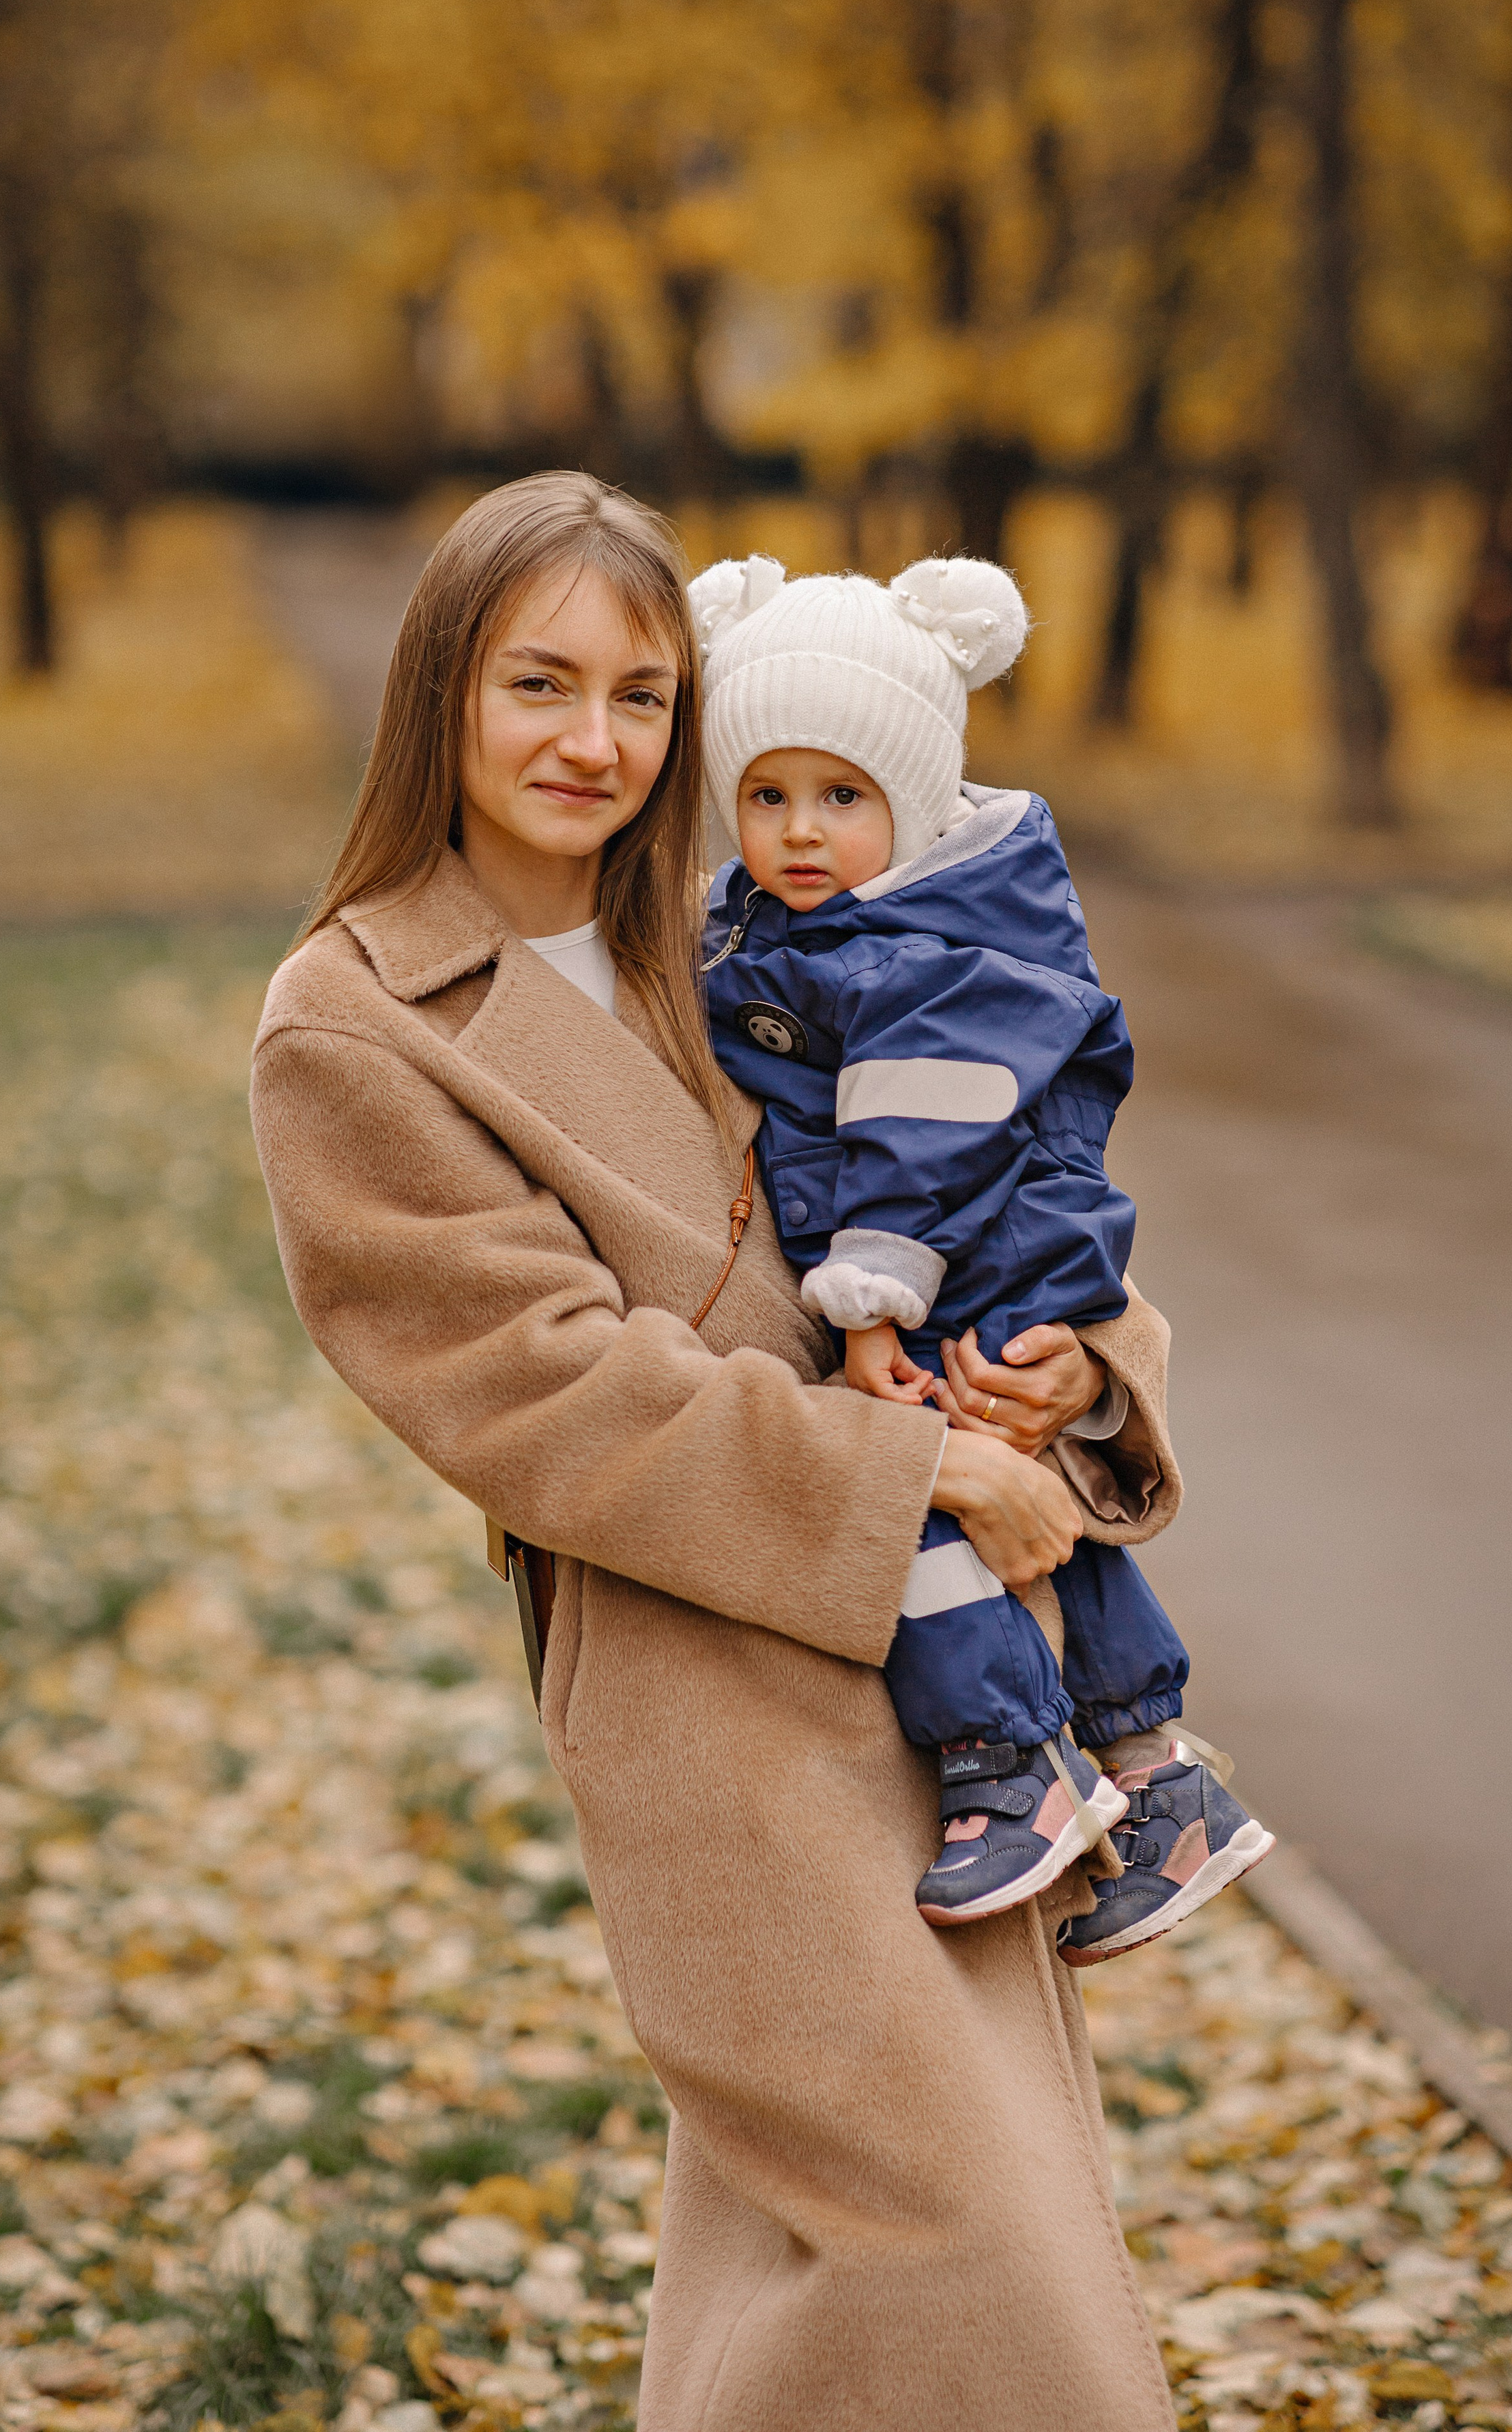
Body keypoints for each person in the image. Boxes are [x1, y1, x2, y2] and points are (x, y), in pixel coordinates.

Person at [251, 471, 1185, 2430]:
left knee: (833, 2253)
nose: (596, 742)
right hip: (710, 1686)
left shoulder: (736, 928)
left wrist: (1074, 1376)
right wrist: (917, 1476)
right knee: (952, 2256)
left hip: (961, 1686)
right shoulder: (356, 1020)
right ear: (442, 693)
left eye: (646, 695)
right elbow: (545, 1392)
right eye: (540, 684)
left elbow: (1015, 1172)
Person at [693, 550, 1273, 1958]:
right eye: (764, 796)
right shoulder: (830, 922)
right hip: (984, 1252)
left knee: (922, 1514)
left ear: (917, 791)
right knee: (1003, 1505)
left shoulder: (931, 947)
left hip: (961, 1252)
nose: (798, 832)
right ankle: (1153, 1772)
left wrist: (871, 1303)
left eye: (841, 796)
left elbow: (921, 1129)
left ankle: (1009, 1763)